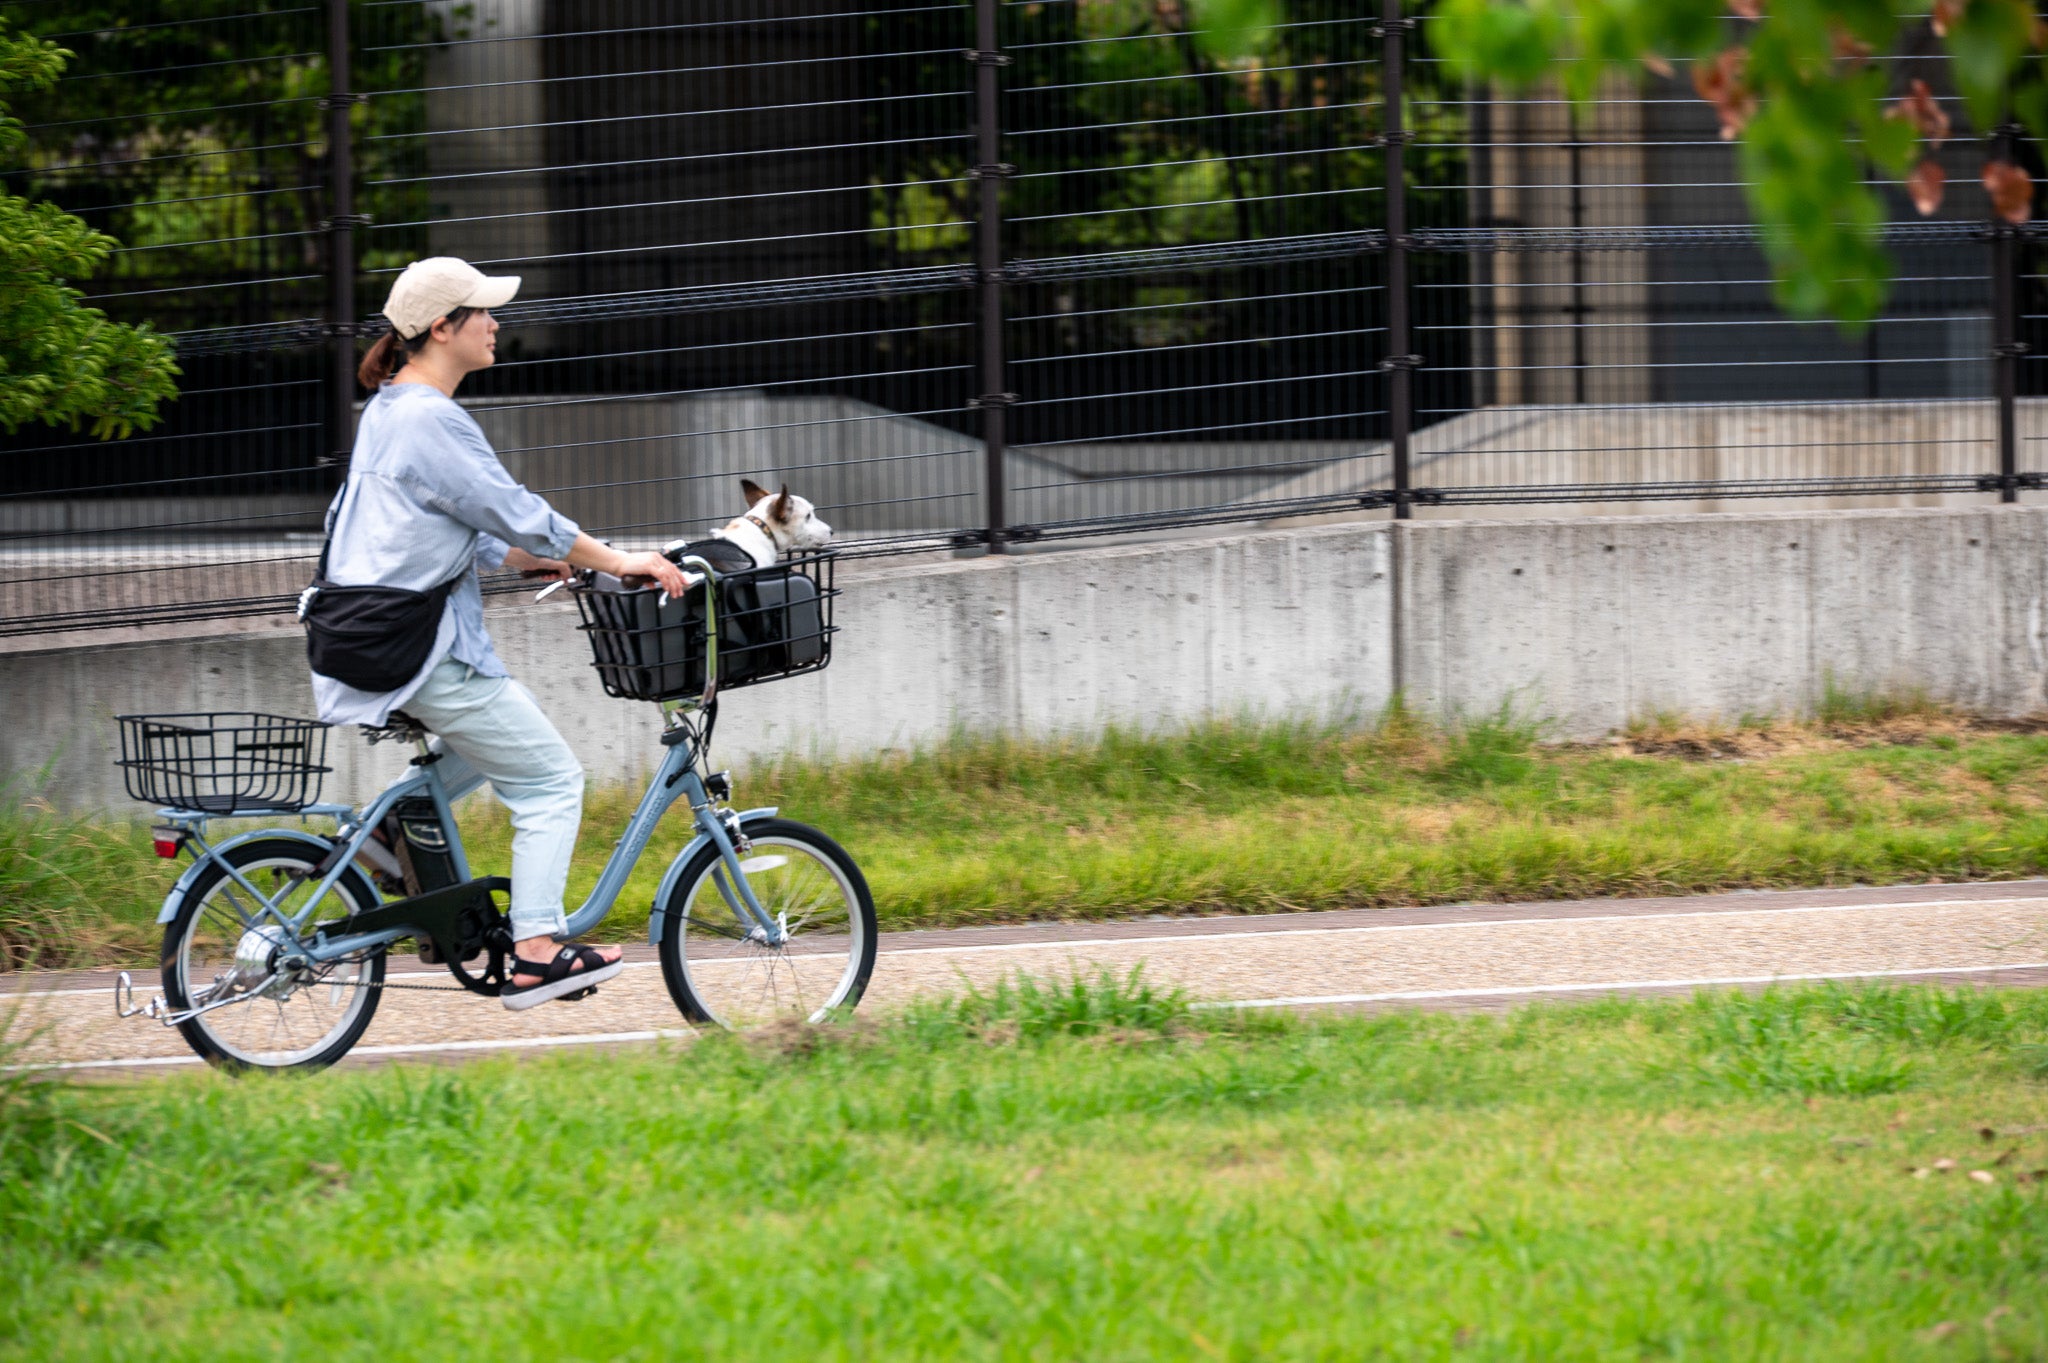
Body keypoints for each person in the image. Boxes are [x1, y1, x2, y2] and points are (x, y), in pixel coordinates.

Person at [311, 256, 689, 1009]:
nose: (495, 323)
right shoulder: (430, 418)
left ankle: (390, 840)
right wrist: (619, 558)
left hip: (366, 633)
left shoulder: (389, 409)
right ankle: (539, 948)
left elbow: (455, 523)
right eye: (481, 311)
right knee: (550, 780)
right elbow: (515, 509)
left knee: (490, 742)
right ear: (441, 328)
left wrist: (539, 560)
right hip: (414, 643)